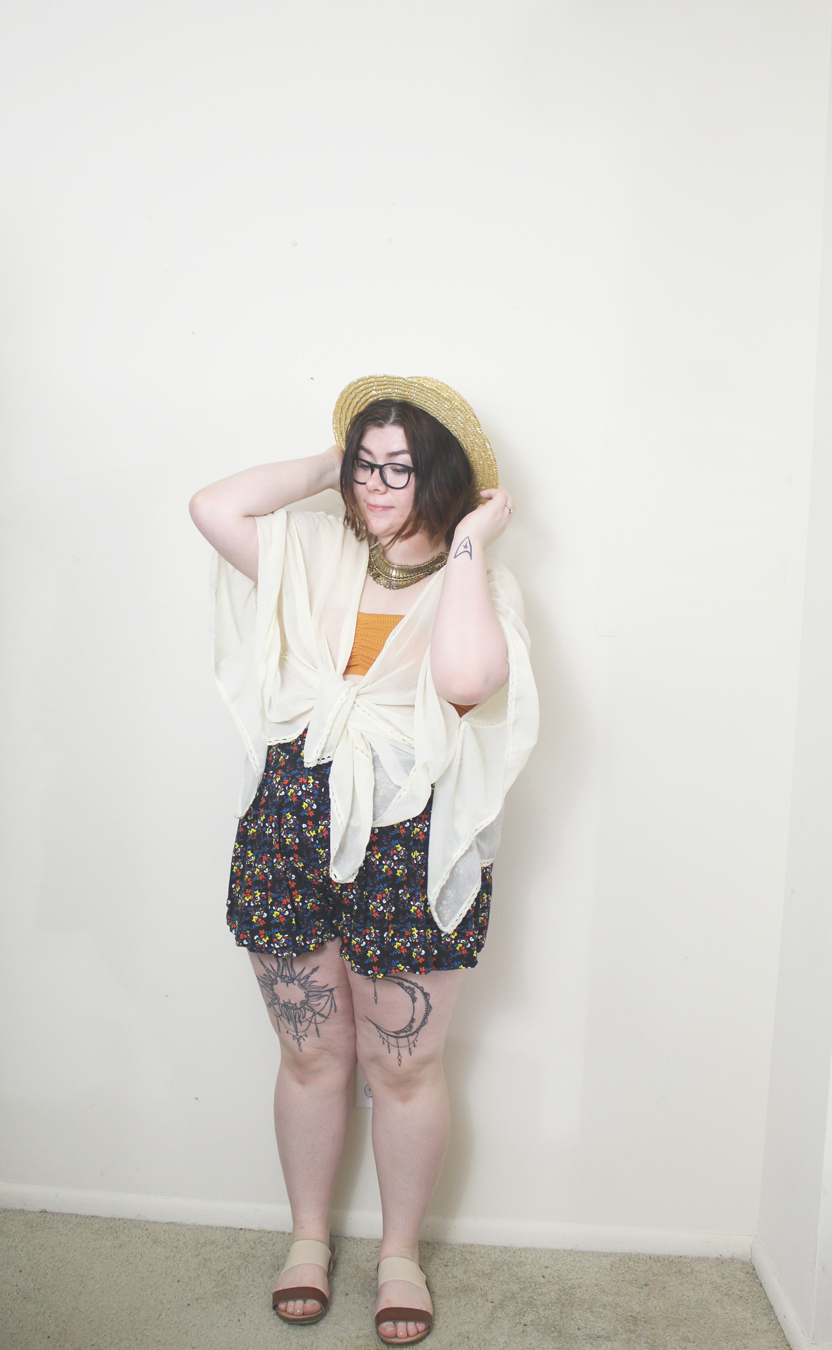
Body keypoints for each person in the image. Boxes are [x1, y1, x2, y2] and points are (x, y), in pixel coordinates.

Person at [189, 375, 538, 1346]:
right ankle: (307, 1239)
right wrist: (332, 463)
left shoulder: (480, 585)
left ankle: (399, 1256)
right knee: (311, 1054)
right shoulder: (313, 551)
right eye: (365, 467)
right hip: (290, 824)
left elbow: (464, 680)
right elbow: (213, 508)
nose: (376, 487)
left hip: (412, 841)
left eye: (400, 469)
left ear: (444, 477)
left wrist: (467, 541)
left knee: (404, 1066)